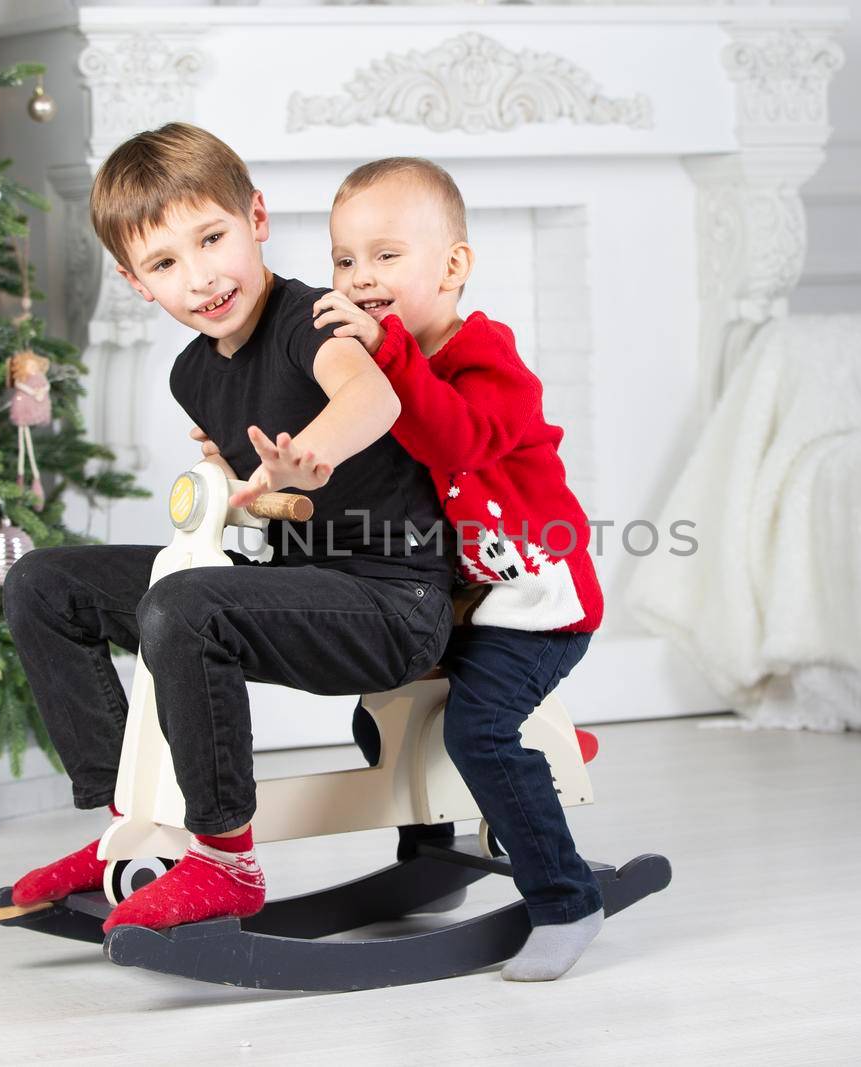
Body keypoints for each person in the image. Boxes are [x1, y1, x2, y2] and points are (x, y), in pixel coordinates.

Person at [1, 125, 453, 934]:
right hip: (301, 582)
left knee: (185, 602)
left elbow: (373, 400)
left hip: (394, 600)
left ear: (257, 218)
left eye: (212, 238)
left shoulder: (313, 317)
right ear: (135, 282)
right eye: (165, 263)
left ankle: (226, 859)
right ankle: (132, 824)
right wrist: (243, 484)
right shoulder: (193, 371)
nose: (201, 277)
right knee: (44, 583)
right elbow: (264, 476)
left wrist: (300, 459)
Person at [314, 157, 607, 981]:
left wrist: (390, 354)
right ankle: (432, 857)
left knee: (478, 728)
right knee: (383, 712)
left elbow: (458, 439)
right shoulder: (380, 372)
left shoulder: (487, 359)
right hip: (458, 601)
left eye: (384, 255)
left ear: (452, 268)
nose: (360, 277)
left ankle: (564, 896)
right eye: (343, 260)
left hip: (538, 601)